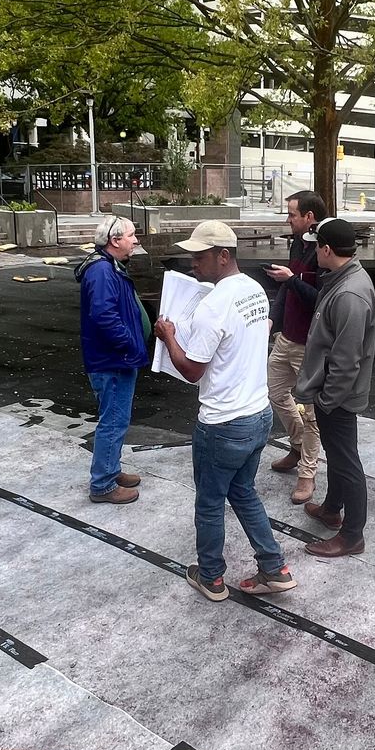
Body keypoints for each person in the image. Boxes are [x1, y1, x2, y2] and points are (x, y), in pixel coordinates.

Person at [153, 220, 294, 601]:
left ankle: (211, 576)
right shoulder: (254, 290)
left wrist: (168, 337)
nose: (193, 263)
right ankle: (274, 567)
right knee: (243, 492)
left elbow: (192, 371)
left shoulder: (213, 305)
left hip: (223, 423)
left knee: (210, 502)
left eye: (200, 257)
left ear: (224, 256)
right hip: (258, 414)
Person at [294, 216, 375, 558]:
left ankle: (352, 534)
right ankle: (331, 508)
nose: (313, 251)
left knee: (346, 461)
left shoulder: (350, 294)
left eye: (316, 246)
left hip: (338, 396)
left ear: (327, 249)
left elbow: (346, 360)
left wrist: (327, 400)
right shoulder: (342, 278)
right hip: (333, 393)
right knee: (339, 455)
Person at [76, 213, 150, 505]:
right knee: (114, 421)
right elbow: (104, 316)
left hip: (117, 359)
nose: (136, 240)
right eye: (131, 235)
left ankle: (111, 469)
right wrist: (130, 344)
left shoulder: (106, 267)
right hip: (114, 360)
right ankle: (103, 484)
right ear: (115, 240)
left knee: (117, 419)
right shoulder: (102, 272)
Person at [263, 190, 325, 506]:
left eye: (292, 215)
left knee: (312, 413)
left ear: (309, 217)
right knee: (275, 393)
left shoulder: (324, 250)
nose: (289, 220)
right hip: (286, 337)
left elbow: (322, 302)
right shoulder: (297, 242)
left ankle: (307, 473)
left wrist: (292, 279)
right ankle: (297, 444)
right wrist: (272, 320)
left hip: (309, 345)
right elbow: (287, 290)